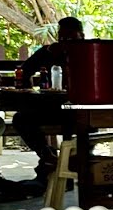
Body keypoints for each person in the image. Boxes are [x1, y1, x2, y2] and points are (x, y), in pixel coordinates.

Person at [12, 16, 83, 182]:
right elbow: (24, 71)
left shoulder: (89, 52)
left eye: (71, 38)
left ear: (82, 36)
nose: (66, 42)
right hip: (52, 107)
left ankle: (71, 163)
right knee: (21, 119)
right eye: (62, 38)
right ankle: (47, 154)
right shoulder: (49, 52)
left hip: (80, 109)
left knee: (74, 123)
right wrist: (27, 85)